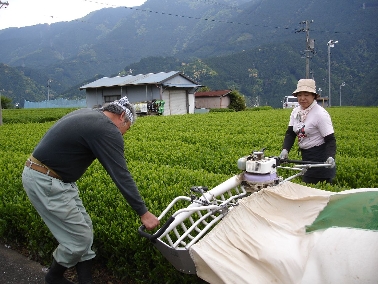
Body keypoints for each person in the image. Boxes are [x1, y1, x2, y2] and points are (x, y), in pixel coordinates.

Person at [22, 96, 160, 284]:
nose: (124, 134)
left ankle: (86, 280)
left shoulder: (91, 114)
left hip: (56, 179)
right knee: (79, 238)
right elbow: (121, 174)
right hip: (46, 181)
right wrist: (143, 213)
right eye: (127, 128)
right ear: (121, 117)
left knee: (85, 229)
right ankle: (53, 277)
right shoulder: (107, 129)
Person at [280, 79, 336, 184]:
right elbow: (290, 133)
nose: (302, 98)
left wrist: (330, 157)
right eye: (299, 95)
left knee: (319, 191)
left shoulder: (320, 114)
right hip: (306, 156)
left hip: (321, 159)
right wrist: (285, 149)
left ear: (314, 96)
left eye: (306, 95)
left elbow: (330, 140)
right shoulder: (296, 111)